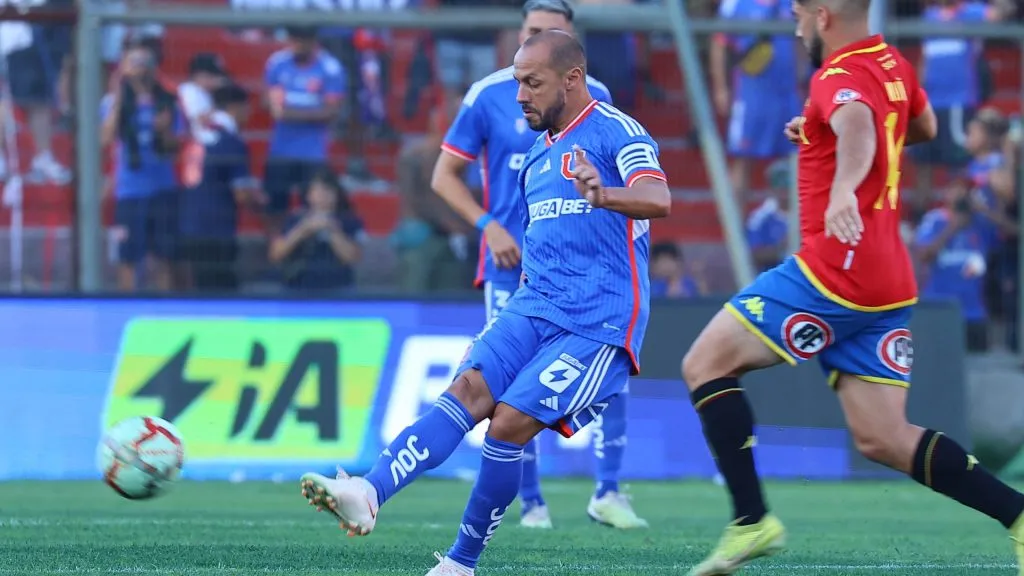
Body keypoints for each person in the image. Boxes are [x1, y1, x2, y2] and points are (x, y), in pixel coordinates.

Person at [299, 30, 670, 576]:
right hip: (533, 306)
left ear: (572, 79)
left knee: (509, 424)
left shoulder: (618, 132)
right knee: (467, 390)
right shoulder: (535, 163)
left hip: (597, 323)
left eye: (532, 82)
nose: (520, 95)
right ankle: (369, 491)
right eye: (518, 81)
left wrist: (606, 195)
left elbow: (658, 198)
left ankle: (460, 565)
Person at [679, 0, 1024, 574]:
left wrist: (844, 187)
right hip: (888, 281)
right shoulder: (892, 65)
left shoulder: (834, 74)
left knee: (704, 364)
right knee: (883, 437)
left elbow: (860, 126)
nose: (793, 23)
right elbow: (923, 127)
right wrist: (820, 135)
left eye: (796, 14)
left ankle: (751, 521)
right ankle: (1019, 516)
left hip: (833, 273)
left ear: (822, 15)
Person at [430, 0, 646, 530]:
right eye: (530, 32)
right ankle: (531, 504)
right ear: (518, 37)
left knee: (608, 375)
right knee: (500, 386)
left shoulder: (597, 105)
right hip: (510, 263)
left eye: (550, 33)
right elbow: (444, 176)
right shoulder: (486, 94)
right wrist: (489, 225)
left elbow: (632, 186)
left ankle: (609, 489)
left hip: (585, 274)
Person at [100, 41, 184, 292]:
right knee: (128, 259)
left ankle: (165, 312)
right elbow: (104, 139)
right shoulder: (112, 102)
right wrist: (118, 94)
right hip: (129, 191)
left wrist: (165, 130)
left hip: (162, 189)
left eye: (145, 63)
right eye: (134, 63)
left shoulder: (168, 101)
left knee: (164, 258)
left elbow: (175, 148)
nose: (140, 70)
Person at [179, 82, 260, 293]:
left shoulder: (196, 138)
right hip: (217, 229)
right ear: (234, 107)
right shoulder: (232, 142)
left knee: (199, 289)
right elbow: (241, 195)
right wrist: (259, 199)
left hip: (189, 224)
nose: (249, 113)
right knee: (221, 293)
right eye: (246, 107)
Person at [263, 26, 345, 233]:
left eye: (303, 39)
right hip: (280, 151)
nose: (297, 45)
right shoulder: (277, 63)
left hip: (313, 154)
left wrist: (290, 113)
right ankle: (276, 252)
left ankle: (308, 254)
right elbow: (270, 103)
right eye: (294, 39)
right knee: (274, 207)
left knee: (313, 207)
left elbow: (331, 111)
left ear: (313, 40)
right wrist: (310, 111)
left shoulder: (330, 67)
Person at [269, 170, 365, 292]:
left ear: (337, 194)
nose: (322, 195)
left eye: (327, 190)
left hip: (338, 287)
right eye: (317, 191)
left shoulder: (350, 221)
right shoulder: (294, 219)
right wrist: (302, 231)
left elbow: (353, 258)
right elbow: (276, 254)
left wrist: (332, 231)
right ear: (309, 195)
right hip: (297, 287)